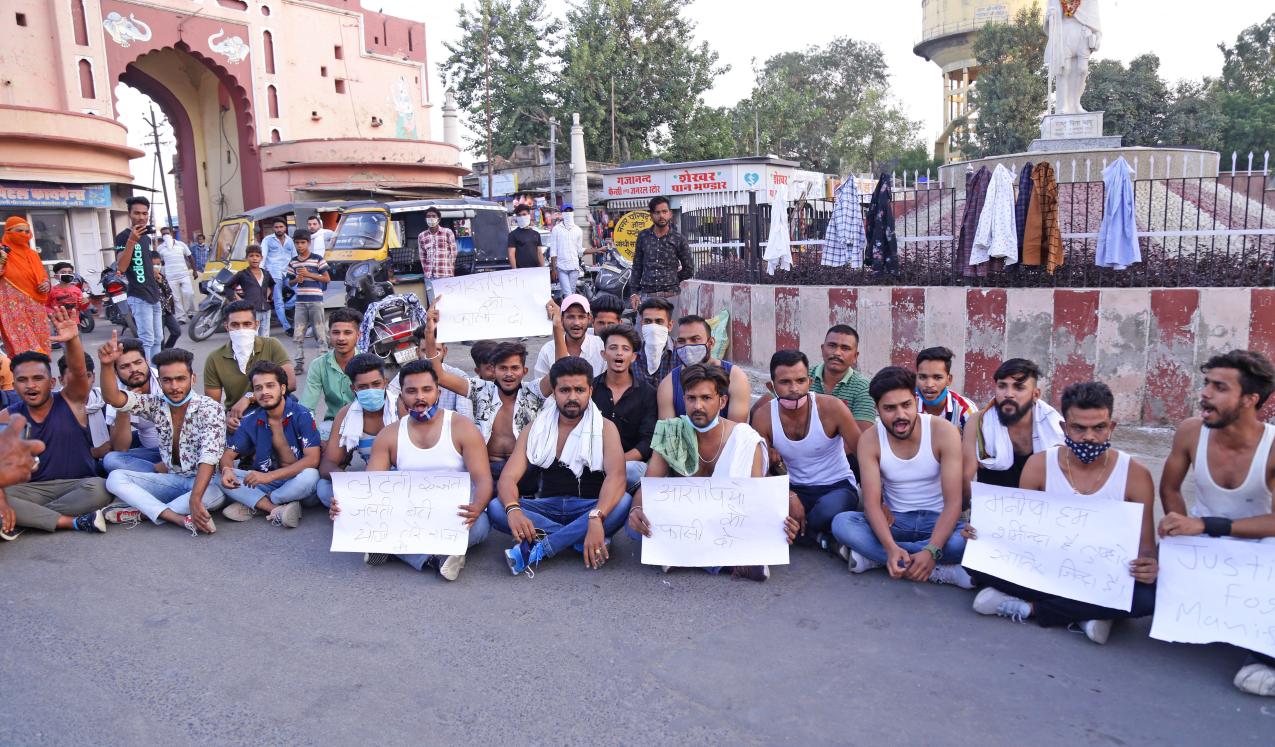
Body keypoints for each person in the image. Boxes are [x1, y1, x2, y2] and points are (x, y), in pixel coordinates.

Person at [966, 381, 1159, 644]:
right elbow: (1020, 533)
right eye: (1079, 428)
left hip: (1101, 574)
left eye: (1099, 427)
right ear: (1064, 427)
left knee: (1148, 597)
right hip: (1049, 570)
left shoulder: (1136, 475)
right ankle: (1091, 613)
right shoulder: (1039, 466)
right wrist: (983, 534)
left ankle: (1031, 609)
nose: (1089, 437)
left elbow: (1145, 549)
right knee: (977, 565)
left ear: (1111, 427)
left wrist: (1147, 565)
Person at [1158, 349, 1275, 697]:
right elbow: (1170, 488)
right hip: (1204, 545)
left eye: (1220, 387)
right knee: (1137, 585)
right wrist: (1177, 528)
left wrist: (1206, 525)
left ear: (1249, 399)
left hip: (1260, 550)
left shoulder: (1271, 448)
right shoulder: (1191, 432)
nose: (1205, 394)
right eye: (1207, 383)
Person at [628, 363, 799, 582]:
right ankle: (727, 564)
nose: (697, 406)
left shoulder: (745, 439)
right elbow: (650, 484)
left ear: (722, 401)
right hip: (686, 520)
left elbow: (756, 499)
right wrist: (637, 509)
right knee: (633, 528)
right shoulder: (672, 432)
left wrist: (778, 523)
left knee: (770, 531)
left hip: (730, 522)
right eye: (691, 398)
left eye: (706, 398)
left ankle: (682, 555)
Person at [329, 359, 493, 580]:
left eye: (427, 389)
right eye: (411, 391)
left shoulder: (462, 427)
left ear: (438, 391)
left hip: (454, 513)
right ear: (401, 395)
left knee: (481, 525)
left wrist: (477, 506)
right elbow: (372, 488)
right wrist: (347, 506)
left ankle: (393, 548)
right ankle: (434, 558)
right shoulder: (389, 435)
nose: (420, 397)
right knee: (367, 521)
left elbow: (483, 479)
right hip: (409, 515)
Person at [830, 366, 973, 588]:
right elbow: (871, 504)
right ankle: (935, 569)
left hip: (939, 521)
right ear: (877, 408)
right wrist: (889, 546)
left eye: (906, 405)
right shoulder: (870, 440)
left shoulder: (943, 431)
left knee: (968, 541)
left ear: (915, 401)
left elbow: (954, 502)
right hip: (896, 522)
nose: (900, 415)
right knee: (842, 523)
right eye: (889, 408)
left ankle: (877, 559)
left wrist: (933, 549)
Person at [491, 356, 631, 575]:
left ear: (590, 391)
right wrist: (514, 510)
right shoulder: (535, 428)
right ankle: (580, 539)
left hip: (589, 507)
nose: (572, 397)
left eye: (579, 390)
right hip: (545, 508)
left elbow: (617, 477)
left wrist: (596, 516)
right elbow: (508, 477)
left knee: (623, 502)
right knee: (498, 508)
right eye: (565, 390)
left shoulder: (605, 427)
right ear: (554, 392)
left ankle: (541, 549)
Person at [1, 308, 111, 539]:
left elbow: (79, 373)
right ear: (15, 385)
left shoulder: (71, 401)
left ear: (51, 382)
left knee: (101, 488)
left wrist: (72, 340)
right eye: (22, 380)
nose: (30, 386)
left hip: (78, 485)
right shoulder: (6, 416)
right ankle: (74, 522)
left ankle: (28, 519)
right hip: (30, 490)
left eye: (37, 378)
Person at [101, 342, 227, 535]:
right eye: (167, 380)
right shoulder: (156, 404)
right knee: (115, 478)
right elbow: (115, 399)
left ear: (192, 378)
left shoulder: (210, 408)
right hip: (172, 479)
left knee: (215, 494)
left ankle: (142, 512)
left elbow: (209, 457)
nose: (174, 387)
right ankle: (176, 518)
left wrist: (195, 498)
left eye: (180, 379)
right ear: (159, 382)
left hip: (204, 483)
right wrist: (107, 365)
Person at [424, 297, 554, 479]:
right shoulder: (481, 389)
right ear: (494, 370)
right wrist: (430, 335)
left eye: (514, 368)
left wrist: (558, 327)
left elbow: (561, 372)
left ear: (524, 371)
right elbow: (438, 375)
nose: (509, 373)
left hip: (526, 469)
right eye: (503, 368)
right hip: (487, 468)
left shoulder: (533, 391)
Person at [753, 350, 862, 550]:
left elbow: (863, 453)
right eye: (785, 382)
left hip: (836, 486)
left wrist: (880, 498)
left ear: (810, 382)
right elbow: (759, 470)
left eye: (800, 381)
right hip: (794, 488)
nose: (794, 388)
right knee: (761, 514)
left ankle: (802, 533)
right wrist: (788, 495)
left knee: (827, 512)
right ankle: (823, 539)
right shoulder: (763, 416)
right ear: (771, 386)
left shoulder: (832, 408)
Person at [218, 361, 320, 528]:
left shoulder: (302, 414)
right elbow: (228, 455)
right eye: (258, 388)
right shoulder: (251, 419)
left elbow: (313, 460)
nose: (264, 392)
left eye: (270, 386)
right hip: (267, 480)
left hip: (298, 480)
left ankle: (258, 504)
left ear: (282, 389)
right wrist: (227, 470)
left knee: (311, 476)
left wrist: (268, 477)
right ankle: (276, 508)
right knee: (218, 477)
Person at [963, 358, 1063, 493]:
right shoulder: (978, 422)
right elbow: (965, 476)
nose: (1008, 394)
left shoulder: (1056, 427)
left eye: (1019, 387)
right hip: (991, 509)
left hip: (1039, 509)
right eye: (1002, 386)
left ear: (1035, 394)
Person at [317, 353, 396, 507]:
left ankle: (359, 507)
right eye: (363, 387)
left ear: (385, 383)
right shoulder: (346, 415)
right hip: (369, 482)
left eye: (376, 384)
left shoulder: (400, 407)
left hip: (403, 479)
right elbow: (328, 464)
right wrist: (352, 482)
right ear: (353, 388)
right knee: (323, 488)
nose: (371, 390)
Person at [204, 300, 295, 431]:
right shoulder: (214, 358)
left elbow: (290, 383)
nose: (241, 330)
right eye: (235, 325)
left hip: (272, 407)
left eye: (247, 324)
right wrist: (226, 419)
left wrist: (249, 398)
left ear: (256, 325)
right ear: (226, 326)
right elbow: (212, 405)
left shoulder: (271, 345)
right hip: (238, 415)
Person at [591, 324, 656, 490]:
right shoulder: (590, 389)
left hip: (628, 465)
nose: (619, 353)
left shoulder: (647, 393)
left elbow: (647, 442)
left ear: (633, 357)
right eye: (613, 348)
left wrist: (615, 462)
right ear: (604, 354)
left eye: (625, 349)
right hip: (591, 463)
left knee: (633, 470)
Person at [656, 314, 750, 423]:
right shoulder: (668, 385)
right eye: (682, 341)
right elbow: (669, 434)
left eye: (695, 339)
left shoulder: (735, 377)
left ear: (710, 343)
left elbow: (736, 432)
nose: (687, 346)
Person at [102, 337, 164, 474]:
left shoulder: (165, 380)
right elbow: (120, 448)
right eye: (125, 367)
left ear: (147, 362)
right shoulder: (117, 392)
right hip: (151, 452)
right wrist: (124, 408)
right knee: (110, 460)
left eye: (138, 362)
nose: (134, 369)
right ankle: (155, 474)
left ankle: (160, 473)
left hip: (179, 451)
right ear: (116, 372)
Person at [113, 196, 163, 362]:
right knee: (146, 340)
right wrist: (131, 241)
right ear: (129, 214)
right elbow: (121, 267)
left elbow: (144, 260)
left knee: (158, 339)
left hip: (154, 294)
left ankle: (156, 375)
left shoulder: (147, 238)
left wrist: (155, 273)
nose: (141, 217)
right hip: (139, 296)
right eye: (137, 213)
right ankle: (146, 373)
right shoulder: (123, 237)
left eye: (144, 213)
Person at [386, 326, 473, 420]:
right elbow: (390, 404)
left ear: (445, 351)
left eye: (437, 351)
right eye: (425, 351)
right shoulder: (406, 375)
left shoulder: (459, 376)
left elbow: (465, 417)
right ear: (417, 351)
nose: (431, 356)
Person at [300, 307, 361, 438]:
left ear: (358, 335)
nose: (341, 338)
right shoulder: (318, 365)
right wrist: (312, 437)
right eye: (336, 332)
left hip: (365, 421)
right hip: (333, 423)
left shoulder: (367, 362)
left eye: (347, 333)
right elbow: (307, 407)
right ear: (329, 335)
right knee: (320, 452)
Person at [629, 196, 692, 318]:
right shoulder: (643, 237)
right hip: (647, 297)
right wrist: (634, 293)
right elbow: (637, 266)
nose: (661, 216)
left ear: (670, 214)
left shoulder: (678, 239)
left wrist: (672, 279)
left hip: (671, 297)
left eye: (664, 212)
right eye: (657, 212)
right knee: (643, 334)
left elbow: (689, 268)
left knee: (672, 335)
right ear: (651, 215)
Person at [0, 216, 52, 356]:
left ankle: (41, 373)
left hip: (35, 306)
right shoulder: (3, 252)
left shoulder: (33, 255)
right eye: (19, 231)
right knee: (22, 346)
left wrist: (46, 284)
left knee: (40, 342)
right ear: (8, 232)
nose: (24, 234)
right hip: (13, 307)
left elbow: (42, 275)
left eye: (27, 231)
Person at [810, 325, 876, 432]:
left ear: (855, 356)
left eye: (845, 348)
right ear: (822, 349)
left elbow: (863, 437)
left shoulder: (863, 387)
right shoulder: (803, 377)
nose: (837, 353)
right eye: (832, 345)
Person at [532, 294, 603, 384]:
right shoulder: (547, 350)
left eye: (581, 317)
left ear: (589, 319)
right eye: (570, 317)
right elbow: (539, 388)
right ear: (561, 319)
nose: (576, 323)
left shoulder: (600, 346)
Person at [285, 229, 329, 373]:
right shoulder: (293, 262)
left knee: (320, 331)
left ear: (308, 243)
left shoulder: (317, 259)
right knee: (298, 333)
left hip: (316, 300)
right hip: (300, 302)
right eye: (297, 243)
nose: (300, 246)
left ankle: (324, 361)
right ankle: (298, 363)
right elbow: (289, 283)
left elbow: (326, 278)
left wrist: (309, 274)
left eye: (303, 243)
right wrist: (297, 279)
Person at [55, 351, 111, 461]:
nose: (81, 382)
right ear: (61, 380)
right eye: (73, 377)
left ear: (93, 377)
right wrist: (94, 453)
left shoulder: (104, 400)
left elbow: (117, 446)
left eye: (87, 376)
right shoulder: (53, 408)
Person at [915, 346, 977, 431]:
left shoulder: (965, 410)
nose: (929, 384)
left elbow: (973, 443)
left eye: (937, 377)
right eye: (922, 377)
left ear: (949, 379)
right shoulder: (906, 405)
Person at [223, 244, 274, 335]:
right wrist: (239, 300)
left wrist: (267, 297)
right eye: (251, 256)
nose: (254, 258)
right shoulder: (243, 274)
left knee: (265, 338)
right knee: (252, 336)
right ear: (247, 258)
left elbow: (271, 285)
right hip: (251, 311)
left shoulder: (266, 274)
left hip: (266, 311)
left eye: (257, 256)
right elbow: (228, 287)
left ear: (261, 258)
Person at [262, 217, 295, 335]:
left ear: (285, 228)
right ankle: (287, 327)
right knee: (278, 300)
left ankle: (284, 308)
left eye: (281, 227)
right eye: (276, 227)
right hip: (273, 273)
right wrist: (262, 272)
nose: (279, 229)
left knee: (301, 291)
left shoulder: (290, 241)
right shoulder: (267, 240)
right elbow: (263, 256)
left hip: (288, 273)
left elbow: (294, 257)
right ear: (273, 228)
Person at [156, 226, 195, 321]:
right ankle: (181, 317)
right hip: (170, 277)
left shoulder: (181, 244)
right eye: (163, 234)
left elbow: (190, 257)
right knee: (176, 298)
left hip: (184, 274)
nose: (166, 235)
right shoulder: (160, 248)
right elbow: (160, 262)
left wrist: (194, 270)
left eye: (167, 233)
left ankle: (191, 313)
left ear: (171, 233)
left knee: (189, 294)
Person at [635, 296, 676, 384]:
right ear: (642, 324)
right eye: (648, 321)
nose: (653, 328)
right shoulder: (632, 353)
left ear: (670, 326)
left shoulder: (680, 353)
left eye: (659, 322)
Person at [548, 204, 584, 296]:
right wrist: (554, 269)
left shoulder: (578, 230)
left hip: (574, 267)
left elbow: (580, 250)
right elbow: (553, 251)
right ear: (562, 213)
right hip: (561, 267)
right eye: (566, 211)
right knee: (568, 293)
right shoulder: (556, 229)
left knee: (571, 293)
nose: (568, 213)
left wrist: (596, 250)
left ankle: (566, 310)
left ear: (573, 213)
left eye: (570, 211)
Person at [151, 255, 183, 349]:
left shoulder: (162, 277)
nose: (156, 267)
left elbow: (168, 292)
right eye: (153, 264)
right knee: (160, 337)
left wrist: (160, 282)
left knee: (176, 331)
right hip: (156, 311)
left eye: (158, 264)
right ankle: (160, 356)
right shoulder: (147, 279)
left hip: (166, 310)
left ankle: (167, 349)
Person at [417, 207, 457, 279]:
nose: (431, 218)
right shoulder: (421, 236)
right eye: (428, 216)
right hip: (429, 276)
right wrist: (426, 272)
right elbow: (422, 257)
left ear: (439, 219)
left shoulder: (448, 232)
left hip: (445, 274)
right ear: (425, 219)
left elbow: (453, 253)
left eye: (433, 216)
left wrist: (451, 269)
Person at [507, 204, 543, 269]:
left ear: (528, 215)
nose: (522, 217)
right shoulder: (513, 235)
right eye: (519, 215)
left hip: (536, 270)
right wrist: (515, 270)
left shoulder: (536, 234)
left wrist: (542, 268)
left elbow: (539, 253)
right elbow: (511, 254)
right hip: (521, 270)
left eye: (524, 214)